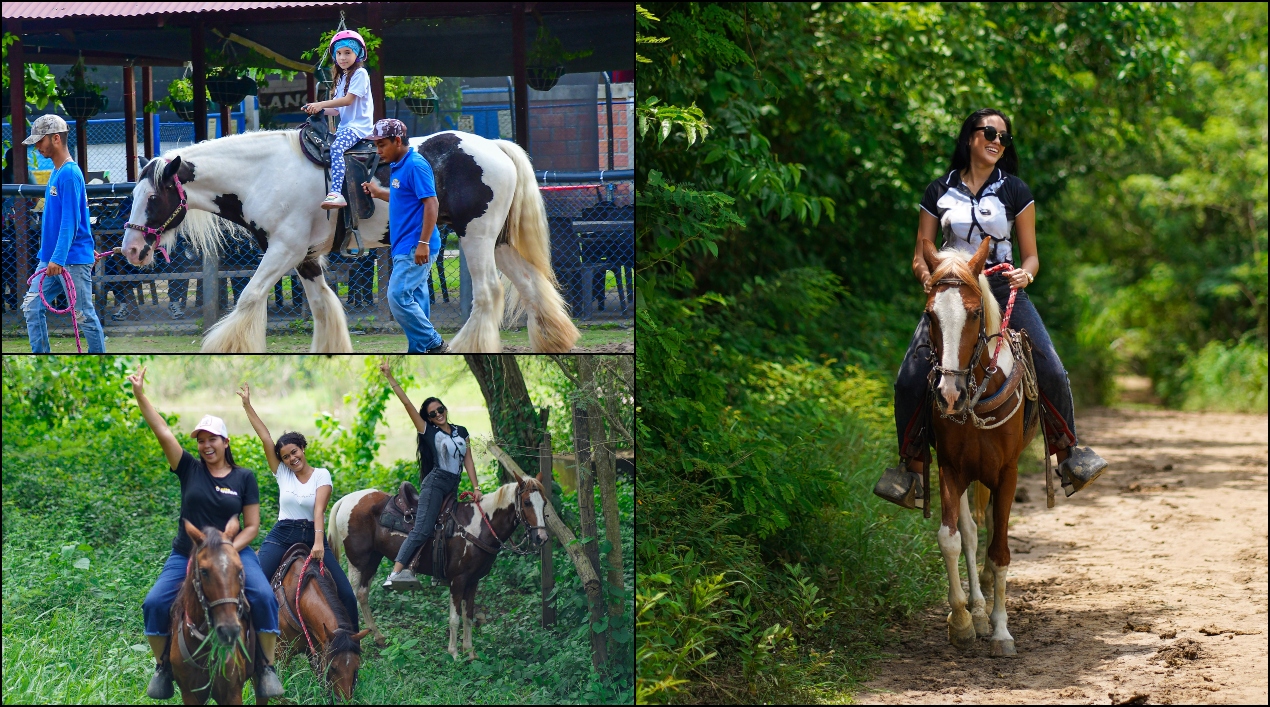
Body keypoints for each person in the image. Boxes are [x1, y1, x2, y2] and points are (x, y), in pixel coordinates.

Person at [875, 108, 1109, 509]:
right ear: (970, 137)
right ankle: (909, 469)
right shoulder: (938, 192)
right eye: (989, 132)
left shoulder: (1014, 190)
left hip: (1001, 289)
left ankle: (1069, 454)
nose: (997, 141)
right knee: (909, 378)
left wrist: (1026, 275)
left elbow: (1032, 256)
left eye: (1004, 136)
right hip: (952, 293)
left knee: (1050, 366)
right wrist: (927, 279)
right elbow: (920, 256)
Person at [129, 367, 284, 700]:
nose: (205, 445)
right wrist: (141, 394)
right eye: (200, 440)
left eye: (212, 438)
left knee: (264, 598)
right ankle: (163, 668)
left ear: (225, 442)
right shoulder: (188, 468)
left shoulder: (244, 477)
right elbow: (162, 432)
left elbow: (253, 525)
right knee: (154, 603)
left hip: (235, 551)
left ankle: (265, 668)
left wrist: (228, 546)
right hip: (188, 551)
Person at [236, 383, 361, 628]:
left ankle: (353, 645)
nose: (292, 459)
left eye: (294, 452)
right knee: (254, 583)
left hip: (313, 534)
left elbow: (319, 509)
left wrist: (317, 541)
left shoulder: (321, 475)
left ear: (302, 448)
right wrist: (247, 405)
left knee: (345, 593)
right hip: (283, 533)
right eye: (286, 457)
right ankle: (246, 634)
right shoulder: (282, 473)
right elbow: (265, 437)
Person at [378, 361, 482, 590]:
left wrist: (476, 487)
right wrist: (390, 377)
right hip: (436, 483)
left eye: (440, 410)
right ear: (429, 418)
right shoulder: (429, 431)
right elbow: (407, 405)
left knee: (449, 527)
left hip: (453, 485)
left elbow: (468, 460)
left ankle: (439, 570)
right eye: (432, 413)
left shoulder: (461, 431)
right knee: (423, 528)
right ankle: (395, 574)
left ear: (445, 409)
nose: (438, 414)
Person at [20, 114, 106, 353]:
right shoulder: (58, 172)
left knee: (84, 315)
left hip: (66, 260)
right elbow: (72, 218)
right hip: (51, 258)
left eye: (40, 141)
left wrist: (58, 257)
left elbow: (70, 219)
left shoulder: (68, 173)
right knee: (31, 307)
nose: (37, 147)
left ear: (56, 138)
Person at [361, 118, 445, 353]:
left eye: (381, 145)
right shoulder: (400, 165)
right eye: (376, 145)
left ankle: (433, 343)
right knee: (416, 300)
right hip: (404, 246)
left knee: (397, 296)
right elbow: (404, 197)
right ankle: (420, 350)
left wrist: (423, 243)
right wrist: (379, 193)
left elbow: (431, 203)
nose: (378, 151)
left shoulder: (416, 165)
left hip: (414, 246)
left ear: (397, 141)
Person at [301, 30, 375, 211]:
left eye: (347, 53)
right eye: (339, 53)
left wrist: (320, 103)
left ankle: (336, 193)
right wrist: (317, 109)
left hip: (359, 127)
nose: (342, 57)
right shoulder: (342, 78)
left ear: (358, 54)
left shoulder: (360, 73)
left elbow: (348, 100)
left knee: (336, 148)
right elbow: (337, 110)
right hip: (346, 127)